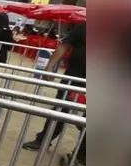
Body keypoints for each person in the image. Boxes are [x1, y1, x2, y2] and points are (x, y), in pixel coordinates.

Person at [22, 21, 87, 154]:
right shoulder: (84, 26)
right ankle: (43, 141)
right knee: (60, 111)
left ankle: (81, 155)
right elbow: (64, 45)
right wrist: (50, 65)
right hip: (73, 80)